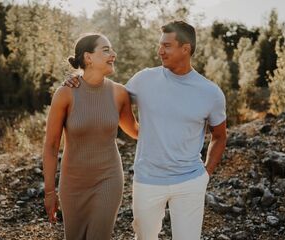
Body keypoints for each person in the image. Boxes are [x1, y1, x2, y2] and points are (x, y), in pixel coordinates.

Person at [64, 20, 227, 240]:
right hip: (148, 180)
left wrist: (206, 173)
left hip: (190, 181)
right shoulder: (144, 79)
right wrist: (79, 80)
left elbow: (219, 136)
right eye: (160, 45)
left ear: (185, 48)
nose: (160, 51)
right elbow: (110, 95)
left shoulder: (211, 93)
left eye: (167, 46)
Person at [42, 33, 138, 240]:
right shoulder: (65, 93)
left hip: (108, 179)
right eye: (106, 50)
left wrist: (176, 122)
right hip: (73, 183)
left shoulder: (119, 93)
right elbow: (51, 146)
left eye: (111, 50)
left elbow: (135, 131)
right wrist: (49, 192)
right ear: (88, 58)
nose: (113, 54)